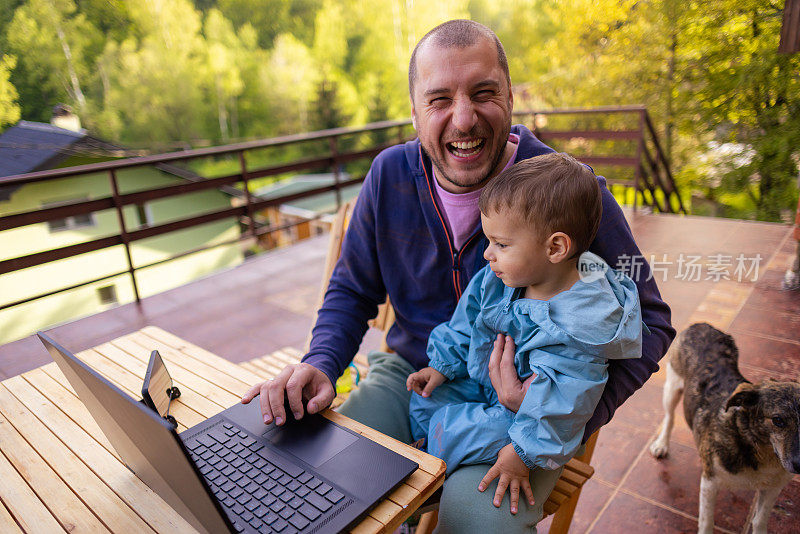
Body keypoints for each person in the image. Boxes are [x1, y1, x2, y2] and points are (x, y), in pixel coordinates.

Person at [242, 19, 675, 533]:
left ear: (510, 96)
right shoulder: (388, 176)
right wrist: (321, 361)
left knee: (478, 523)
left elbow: (650, 321)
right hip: (413, 375)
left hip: (523, 419)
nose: (464, 118)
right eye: (440, 99)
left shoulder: (570, 196)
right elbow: (352, 290)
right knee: (317, 474)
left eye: (484, 92)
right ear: (414, 111)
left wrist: (560, 408)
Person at [406, 153, 645, 515]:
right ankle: (431, 449)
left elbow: (563, 404)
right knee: (427, 395)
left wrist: (521, 453)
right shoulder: (501, 275)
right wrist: (442, 364)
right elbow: (469, 320)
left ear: (555, 248)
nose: (488, 254)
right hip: (481, 380)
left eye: (501, 244)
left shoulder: (579, 323)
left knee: (458, 430)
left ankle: (425, 475)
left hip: (524, 418)